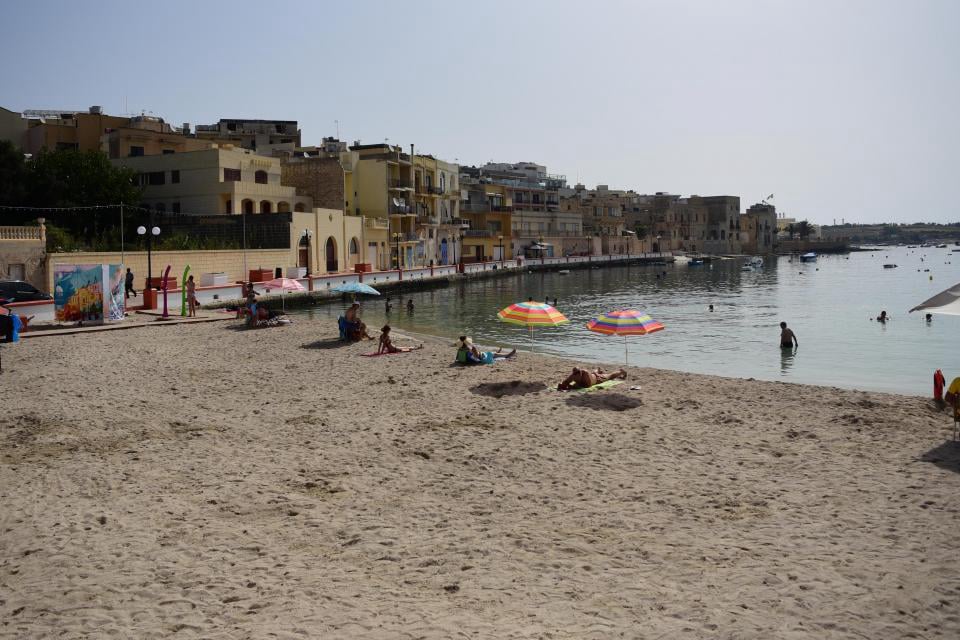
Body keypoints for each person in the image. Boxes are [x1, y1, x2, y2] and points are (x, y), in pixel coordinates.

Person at [558, 366, 627, 391]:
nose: (576, 376)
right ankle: (598, 370)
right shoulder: (573, 375)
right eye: (575, 375)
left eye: (577, 374)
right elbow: (566, 382)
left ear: (580, 373)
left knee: (610, 376)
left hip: (597, 379)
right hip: (592, 375)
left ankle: (621, 371)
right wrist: (563, 385)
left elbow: (588, 385)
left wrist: (574, 386)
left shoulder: (585, 373)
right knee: (593, 373)